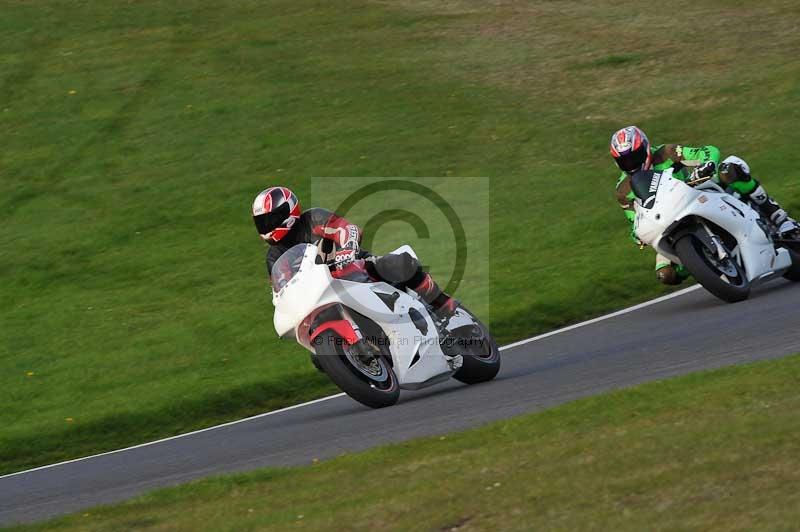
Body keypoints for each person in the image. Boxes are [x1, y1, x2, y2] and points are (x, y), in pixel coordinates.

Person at [610, 126, 799, 285]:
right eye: (624, 160)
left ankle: (779, 218)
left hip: (696, 192)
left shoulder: (666, 152)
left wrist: (706, 164)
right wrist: (637, 235)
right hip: (667, 220)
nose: (631, 163)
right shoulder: (623, 190)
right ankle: (707, 265)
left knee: (730, 169)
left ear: (646, 148)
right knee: (666, 274)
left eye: (635, 156)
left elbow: (707, 151)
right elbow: (633, 219)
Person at [251, 186, 458, 319]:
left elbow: (345, 228)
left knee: (398, 264)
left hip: (354, 269)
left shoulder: (312, 219)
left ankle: (442, 303)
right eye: (262, 222)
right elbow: (281, 292)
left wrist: (347, 248)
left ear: (289, 211)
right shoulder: (274, 257)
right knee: (319, 357)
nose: (267, 226)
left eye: (271, 219)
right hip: (323, 295)